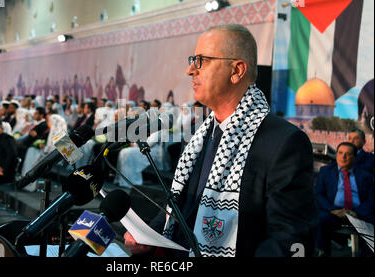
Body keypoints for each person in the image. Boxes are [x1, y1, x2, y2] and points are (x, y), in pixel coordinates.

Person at [124, 24, 318, 257]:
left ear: (236, 71)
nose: (189, 70)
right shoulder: (199, 135)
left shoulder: (284, 143)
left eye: (200, 61)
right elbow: (179, 203)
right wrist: (150, 235)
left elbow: (289, 240)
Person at [315, 142, 374, 256]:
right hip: (334, 213)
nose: (343, 157)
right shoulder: (325, 171)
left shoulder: (366, 176)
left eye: (348, 154)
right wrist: (333, 210)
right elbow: (318, 194)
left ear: (355, 157)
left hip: (358, 214)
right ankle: (322, 253)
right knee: (320, 219)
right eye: (340, 153)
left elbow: (370, 200)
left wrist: (356, 213)